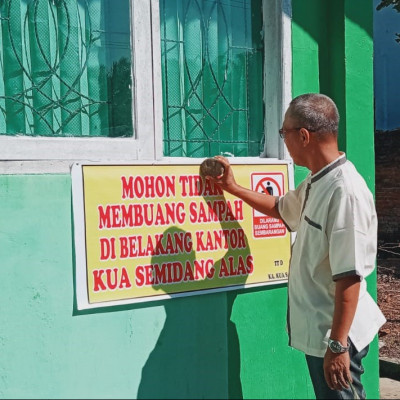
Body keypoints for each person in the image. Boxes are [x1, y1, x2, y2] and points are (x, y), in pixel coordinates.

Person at [208, 93, 386, 400]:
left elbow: (350, 277)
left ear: (303, 136)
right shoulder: (318, 181)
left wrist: (338, 345)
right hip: (323, 334)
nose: (283, 141)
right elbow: (281, 207)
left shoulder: (346, 193)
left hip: (336, 335)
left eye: (283, 133)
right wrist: (232, 189)